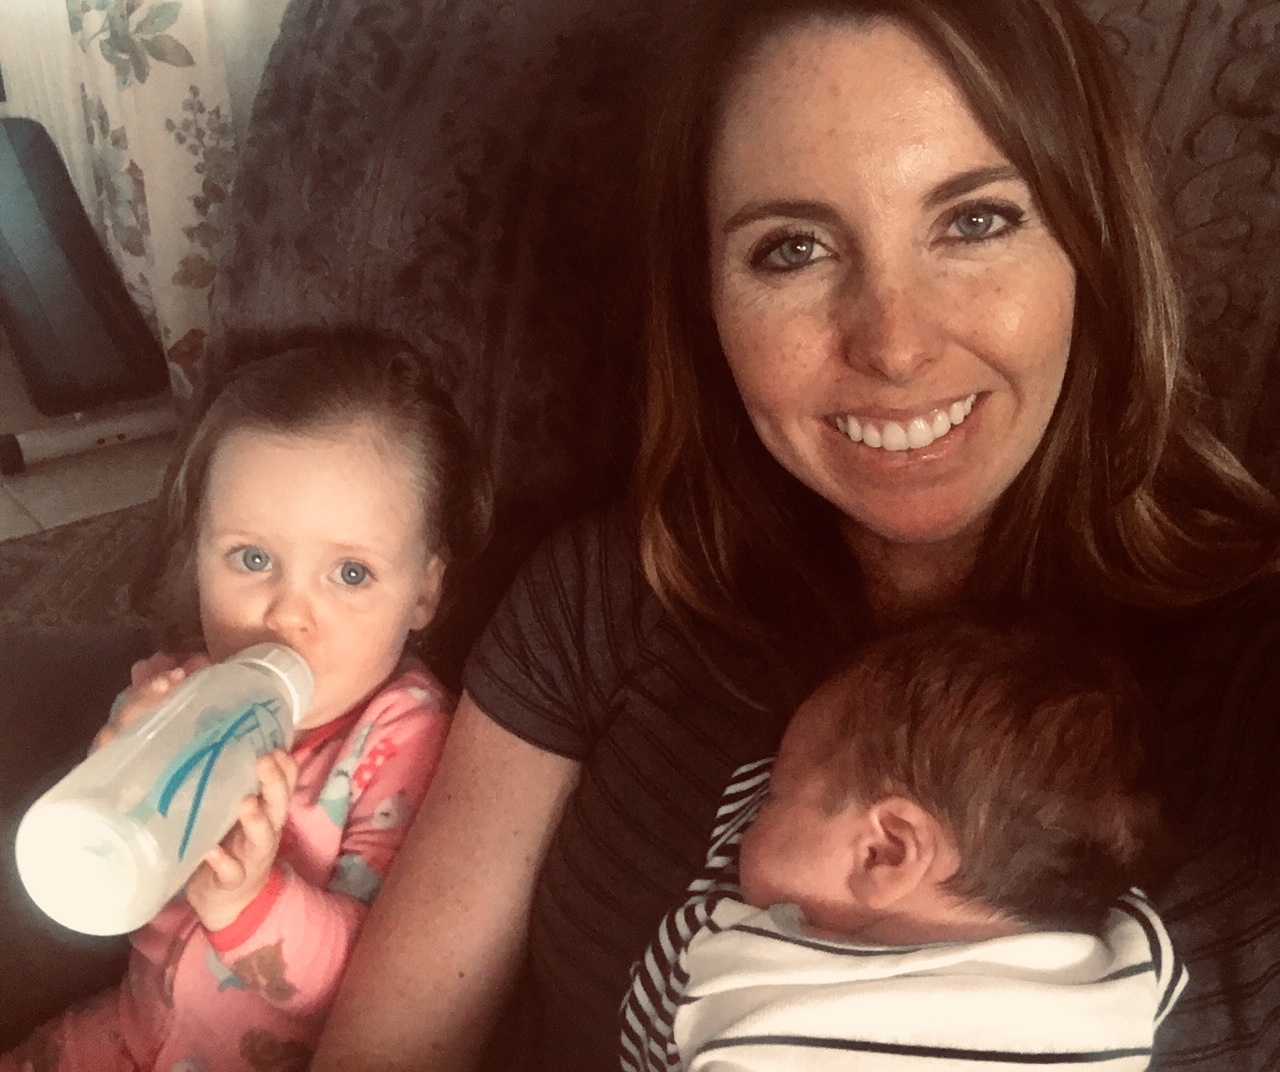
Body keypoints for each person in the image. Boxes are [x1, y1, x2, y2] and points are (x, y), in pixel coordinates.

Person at [312, 0, 1280, 1069]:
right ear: (708, 305)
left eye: (974, 222)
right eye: (793, 249)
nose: (895, 346)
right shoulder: (607, 596)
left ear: (1090, 249)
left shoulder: (1242, 662)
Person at [2, 336, 491, 1072]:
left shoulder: (405, 739)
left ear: (424, 590)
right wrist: (121, 764)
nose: (288, 613)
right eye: (253, 559)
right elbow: (107, 884)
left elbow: (382, 983)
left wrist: (250, 902)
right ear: (196, 555)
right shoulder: (182, 685)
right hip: (129, 1029)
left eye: (350, 573)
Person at [621, 615, 1188, 1071]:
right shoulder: (1128, 964)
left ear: (884, 852)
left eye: (774, 794)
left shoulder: (760, 999)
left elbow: (648, 1029)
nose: (749, 811)